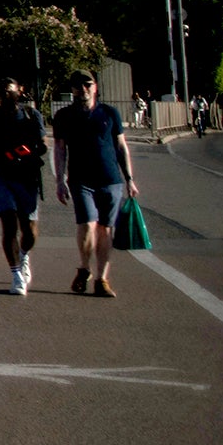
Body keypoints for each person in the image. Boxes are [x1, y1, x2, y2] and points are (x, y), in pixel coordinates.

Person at [51, 70, 137, 298]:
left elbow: (121, 146)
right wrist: (59, 180)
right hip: (80, 180)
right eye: (78, 86)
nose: (83, 90)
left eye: (87, 85)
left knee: (106, 230)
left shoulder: (109, 113)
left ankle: (102, 279)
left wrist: (129, 179)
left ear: (95, 86)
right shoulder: (64, 116)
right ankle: (84, 266)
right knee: (87, 225)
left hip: (110, 180)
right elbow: (59, 150)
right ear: (73, 90)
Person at [0, 78, 47, 294]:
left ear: (19, 92)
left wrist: (23, 152)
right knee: (9, 224)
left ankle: (23, 255)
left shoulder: (32, 116)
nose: (4, 96)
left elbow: (43, 146)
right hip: (0, 176)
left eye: (8, 92)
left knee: (30, 231)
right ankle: (16, 276)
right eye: (1, 93)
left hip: (27, 177)